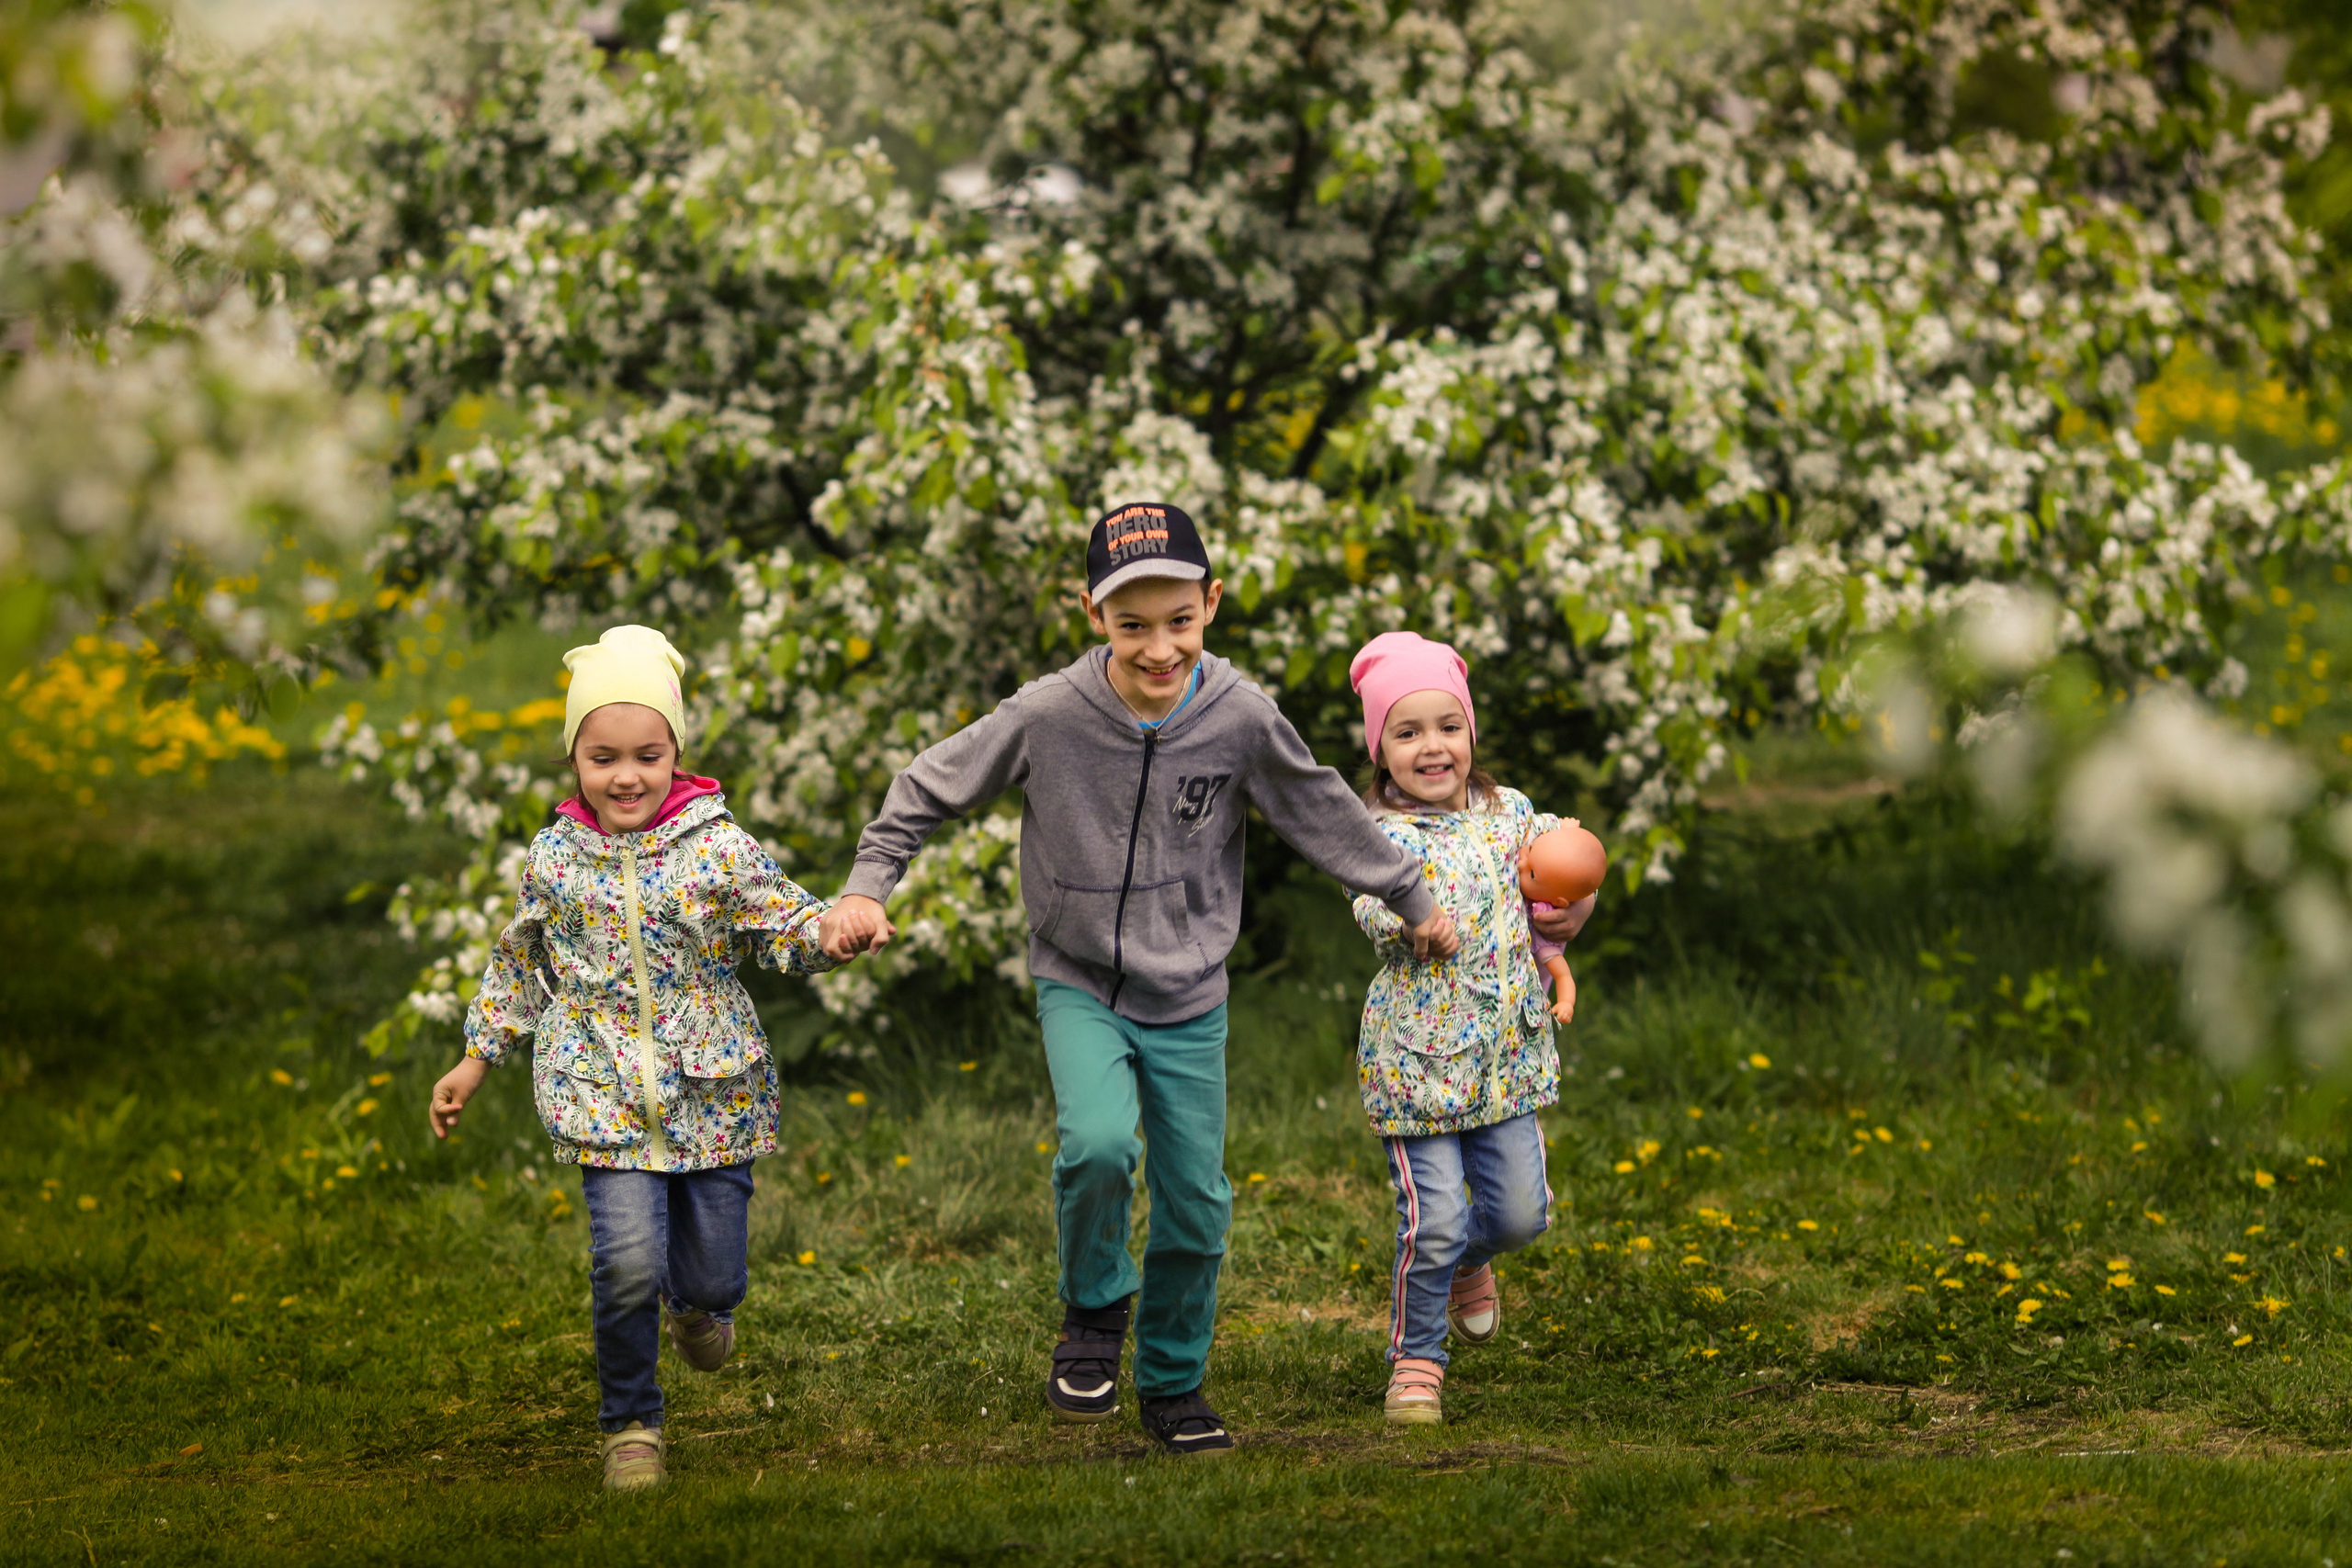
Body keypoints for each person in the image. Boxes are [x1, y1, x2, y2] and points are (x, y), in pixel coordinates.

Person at [818, 502, 1460, 1456]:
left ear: (1211, 603)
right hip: (1078, 975)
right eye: (1132, 625)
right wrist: (867, 886)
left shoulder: (1238, 717)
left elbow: (1320, 810)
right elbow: (927, 784)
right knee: (1096, 1145)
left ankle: (1172, 1382)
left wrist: (1410, 895)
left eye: (1179, 621)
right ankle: (1092, 1310)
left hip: (1190, 991)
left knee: (1197, 1201)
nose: (1159, 648)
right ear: (1092, 614)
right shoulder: (1048, 714)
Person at [427, 625, 865, 1491]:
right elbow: (522, 961)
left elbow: (778, 921)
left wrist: (829, 933)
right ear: (574, 760)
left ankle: (699, 1306)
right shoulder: (556, 858)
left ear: (675, 754)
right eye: (603, 757)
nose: (625, 775)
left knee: (714, 1273)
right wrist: (476, 1057)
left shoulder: (717, 845)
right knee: (627, 1262)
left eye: (647, 755)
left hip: (712, 1089)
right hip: (601, 1091)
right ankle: (631, 1423)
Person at [1344, 630, 1597, 1426]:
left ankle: (1468, 1263)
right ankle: (1417, 1361)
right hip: (1418, 1065)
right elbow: (1368, 904)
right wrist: (1407, 919)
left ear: (1471, 732)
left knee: (1522, 1213)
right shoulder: (1379, 833)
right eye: (1407, 731)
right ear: (1380, 748)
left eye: (1448, 726)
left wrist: (1577, 904)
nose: (1433, 746)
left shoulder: (1509, 812)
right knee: (1435, 1220)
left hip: (1504, 1060)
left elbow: (1565, 868)